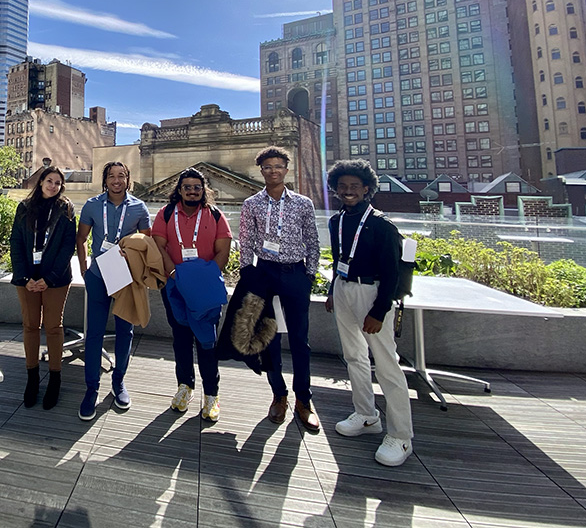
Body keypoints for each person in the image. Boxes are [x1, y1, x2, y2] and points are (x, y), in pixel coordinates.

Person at [325, 159, 414, 466]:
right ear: (336, 190)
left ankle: (401, 436)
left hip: (372, 292)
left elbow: (392, 274)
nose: (348, 192)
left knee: (387, 363)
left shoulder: (381, 225)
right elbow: (339, 259)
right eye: (342, 187)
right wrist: (332, 291)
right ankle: (366, 415)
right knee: (353, 357)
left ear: (366, 189)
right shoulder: (336, 222)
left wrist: (379, 310)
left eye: (354, 187)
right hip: (344, 288)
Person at [238, 146, 321, 432]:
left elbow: (312, 239)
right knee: (268, 338)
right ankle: (279, 395)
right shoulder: (252, 204)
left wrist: (309, 274)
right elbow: (246, 240)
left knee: (300, 339)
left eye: (278, 166)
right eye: (267, 167)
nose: (273, 171)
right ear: (260, 171)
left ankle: (304, 399)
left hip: (295, 273)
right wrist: (248, 272)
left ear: (286, 170)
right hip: (265, 273)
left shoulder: (303, 203)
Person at [151, 168, 232, 421]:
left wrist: (202, 280)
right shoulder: (165, 214)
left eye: (197, 187)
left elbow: (223, 251)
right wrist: (176, 275)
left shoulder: (216, 215)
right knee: (181, 338)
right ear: (179, 189)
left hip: (205, 289)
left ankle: (211, 395)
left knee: (207, 343)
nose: (192, 191)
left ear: (203, 189)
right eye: (187, 187)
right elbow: (159, 247)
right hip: (175, 286)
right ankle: (184, 387)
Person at [75, 161, 151, 420]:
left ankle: (118, 382)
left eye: (121, 176)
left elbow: (146, 244)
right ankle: (91, 388)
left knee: (124, 331)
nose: (116, 180)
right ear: (105, 180)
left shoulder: (139, 207)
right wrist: (85, 268)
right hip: (98, 274)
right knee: (94, 333)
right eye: (111, 176)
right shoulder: (92, 205)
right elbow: (81, 238)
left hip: (125, 277)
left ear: (128, 179)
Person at [9, 166, 77, 410]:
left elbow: (68, 246)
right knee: (30, 326)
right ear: (40, 182)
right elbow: (16, 242)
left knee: (54, 327)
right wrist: (24, 276)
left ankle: (55, 379)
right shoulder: (25, 208)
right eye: (50, 181)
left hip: (55, 279)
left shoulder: (66, 209)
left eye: (58, 183)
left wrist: (48, 278)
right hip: (27, 276)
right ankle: (32, 379)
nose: (53, 186)